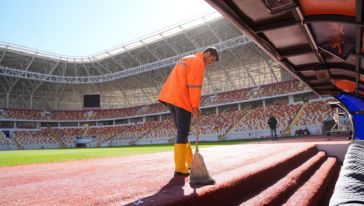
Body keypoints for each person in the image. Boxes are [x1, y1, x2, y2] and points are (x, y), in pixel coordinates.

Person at [159, 47, 219, 176]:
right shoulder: (198, 63)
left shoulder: (187, 58)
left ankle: (190, 162)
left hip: (170, 97)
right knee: (183, 131)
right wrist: (195, 106)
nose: (211, 63)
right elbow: (194, 86)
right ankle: (180, 167)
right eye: (212, 60)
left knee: (182, 131)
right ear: (207, 54)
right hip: (181, 99)